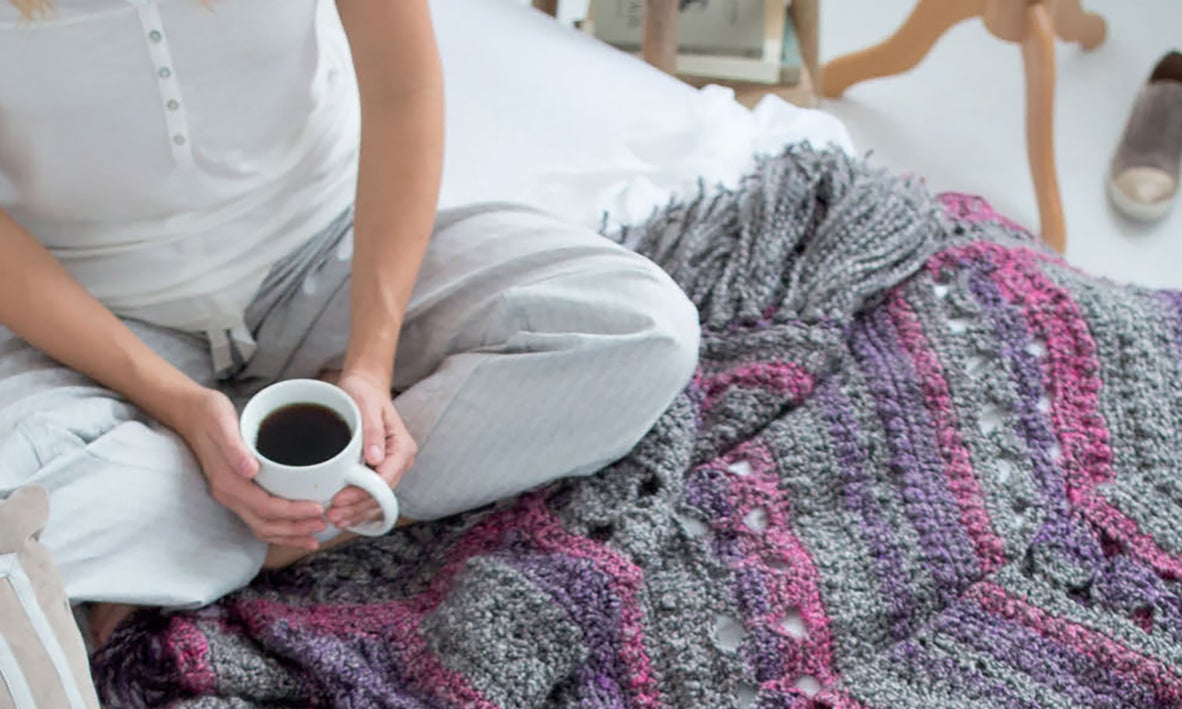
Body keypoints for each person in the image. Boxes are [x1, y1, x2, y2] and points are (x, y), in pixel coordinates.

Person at [0, 0, 700, 644]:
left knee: (643, 329)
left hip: (334, 247)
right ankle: (289, 485)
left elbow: (404, 91)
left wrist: (371, 361)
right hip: (96, 317)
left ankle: (232, 535)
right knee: (13, 517)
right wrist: (181, 408)